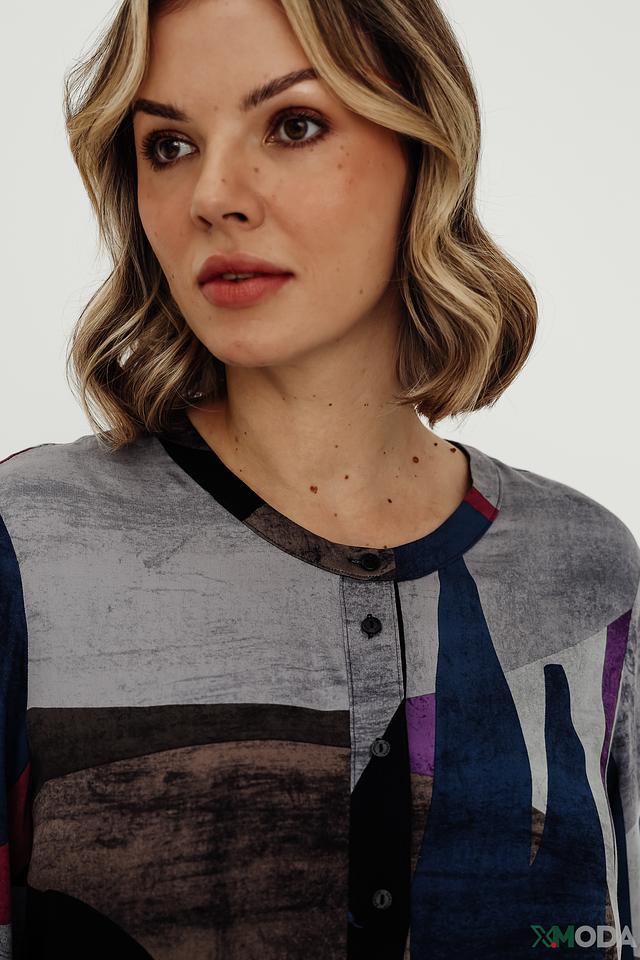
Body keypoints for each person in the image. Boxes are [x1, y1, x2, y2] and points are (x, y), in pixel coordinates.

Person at [1, 0, 638, 957]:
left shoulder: (590, 574)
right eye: (168, 145)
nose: (214, 194)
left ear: (423, 151)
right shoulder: (26, 547)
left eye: (293, 126)